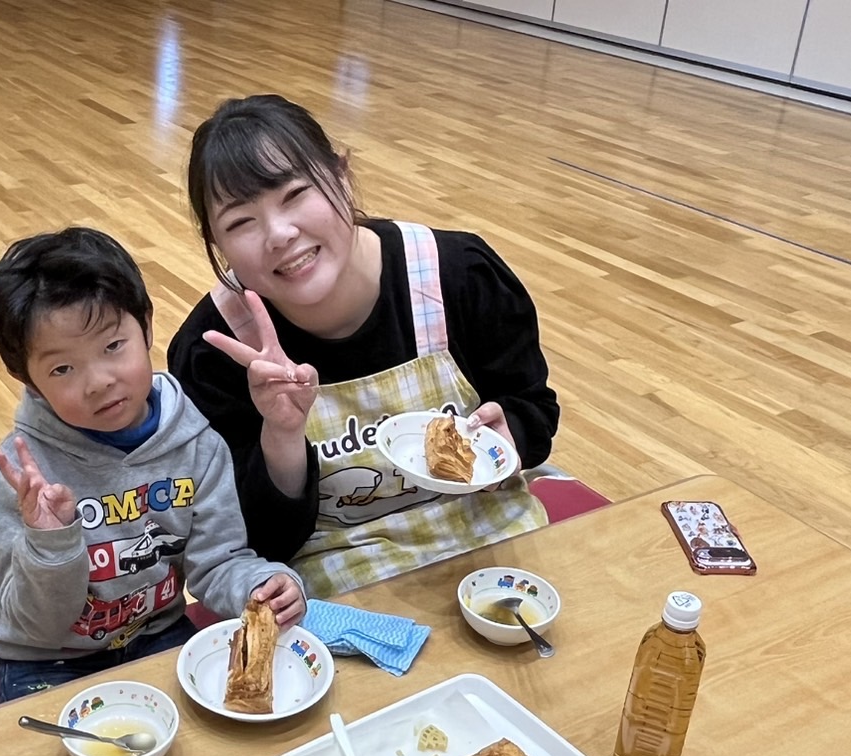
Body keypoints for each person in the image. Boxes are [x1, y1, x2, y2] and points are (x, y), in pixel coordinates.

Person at [167, 94, 560, 598]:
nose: (279, 234)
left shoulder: (457, 274)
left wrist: (512, 434)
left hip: (491, 539)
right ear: (216, 242)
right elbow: (257, 542)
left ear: (342, 173)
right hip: (335, 575)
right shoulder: (214, 352)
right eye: (241, 222)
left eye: (295, 193)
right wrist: (281, 434)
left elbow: (532, 405)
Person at [0, 226, 305, 702]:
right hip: (45, 656)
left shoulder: (196, 445)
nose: (99, 382)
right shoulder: (23, 474)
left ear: (147, 326)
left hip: (155, 632)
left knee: (213, 731)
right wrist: (51, 545)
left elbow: (218, 561)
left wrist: (261, 584)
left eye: (113, 346)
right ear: (26, 379)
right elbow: (36, 624)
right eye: (62, 369)